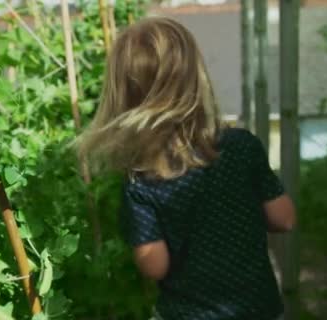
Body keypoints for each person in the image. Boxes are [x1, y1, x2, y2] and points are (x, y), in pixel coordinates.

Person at [78, 17, 296, 320]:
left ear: (124, 97)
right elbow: (284, 219)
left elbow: (155, 266)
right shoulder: (241, 146)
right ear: (196, 77)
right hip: (258, 310)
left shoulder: (142, 182)